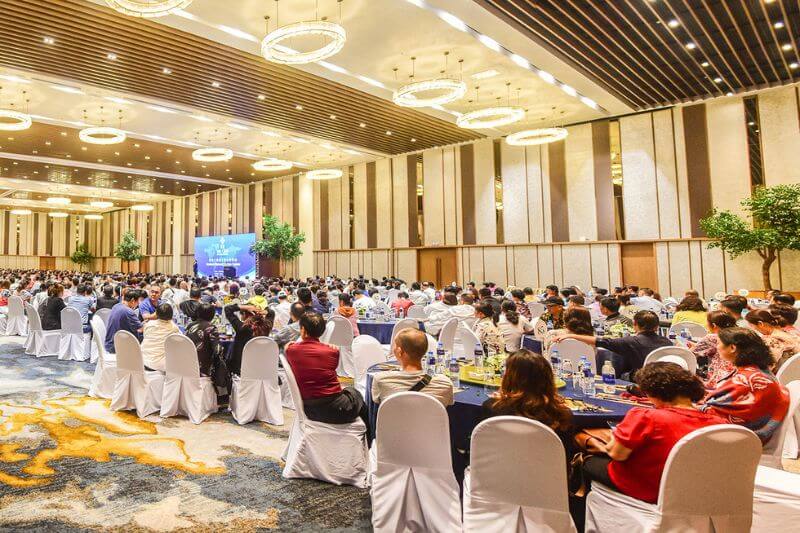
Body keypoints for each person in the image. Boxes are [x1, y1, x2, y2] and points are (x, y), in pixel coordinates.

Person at [582, 363, 725, 504]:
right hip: (695, 492)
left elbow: (617, 454)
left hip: (650, 489)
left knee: (585, 460)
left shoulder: (646, 417)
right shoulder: (720, 424)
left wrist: (614, 437)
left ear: (651, 393)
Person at [700, 328, 790, 444]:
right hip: (742, 432)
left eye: (719, 343)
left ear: (732, 348)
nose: (717, 347)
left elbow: (713, 409)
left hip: (737, 437)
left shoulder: (748, 380)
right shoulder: (756, 371)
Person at [478, 350, 574, 451]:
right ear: (548, 380)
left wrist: (502, 399)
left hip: (499, 465)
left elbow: (483, 447)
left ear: (509, 378)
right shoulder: (561, 415)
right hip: (546, 466)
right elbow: (564, 457)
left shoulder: (492, 408)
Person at [285, 312, 367, 425]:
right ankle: (370, 437)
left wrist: (289, 345)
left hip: (309, 409)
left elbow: (288, 349)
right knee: (356, 395)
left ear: (303, 330)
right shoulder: (332, 351)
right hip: (336, 409)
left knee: (350, 392)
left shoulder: (291, 351)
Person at [555, 311, 672, 379]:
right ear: (657, 327)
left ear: (635, 325)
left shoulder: (630, 341)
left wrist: (572, 336)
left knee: (621, 374)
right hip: (665, 379)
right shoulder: (668, 342)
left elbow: (600, 341)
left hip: (642, 380)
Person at [371, 328, 454, 407]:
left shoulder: (381, 380)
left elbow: (376, 401)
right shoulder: (445, 384)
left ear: (399, 352)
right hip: (430, 422)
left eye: (395, 345)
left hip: (394, 421)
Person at [688, 310, 737, 388]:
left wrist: (694, 347)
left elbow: (689, 354)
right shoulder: (737, 334)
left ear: (714, 325)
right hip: (736, 373)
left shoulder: (712, 337)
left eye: (707, 322)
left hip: (718, 378)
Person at [224, 302, 274, 376]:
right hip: (261, 366)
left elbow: (227, 308)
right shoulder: (267, 326)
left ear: (244, 315)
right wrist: (264, 311)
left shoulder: (242, 328)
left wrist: (245, 307)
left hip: (241, 368)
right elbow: (271, 313)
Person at [185, 303, 224, 382]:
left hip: (188, 367)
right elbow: (218, 350)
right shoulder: (211, 328)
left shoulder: (189, 326)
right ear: (212, 315)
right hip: (204, 369)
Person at [140, 303, 180, 372]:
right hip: (159, 365)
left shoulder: (149, 324)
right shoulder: (174, 328)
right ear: (171, 314)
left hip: (142, 360)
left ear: (156, 313)